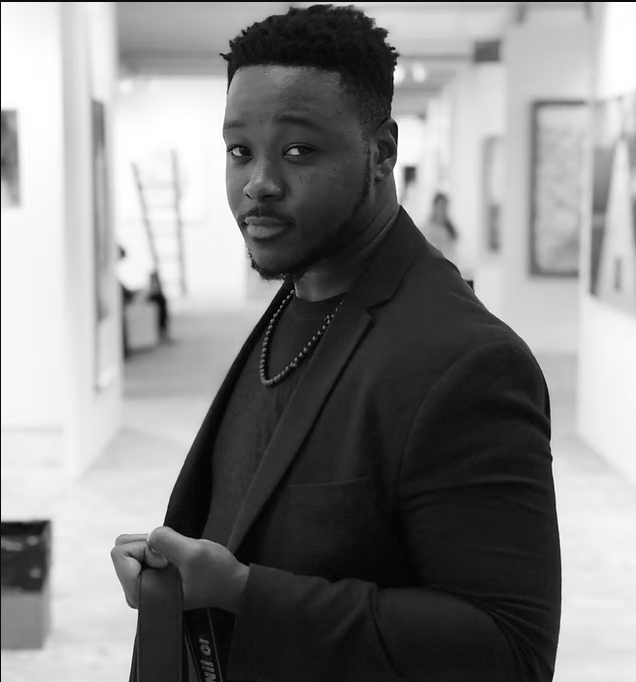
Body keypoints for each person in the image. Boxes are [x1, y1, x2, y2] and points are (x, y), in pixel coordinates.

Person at [111, 5, 561, 682]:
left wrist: (244, 592)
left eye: (298, 151)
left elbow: (508, 651)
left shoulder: (468, 361)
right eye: (239, 151)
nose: (258, 182)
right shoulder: (303, 292)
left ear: (381, 152)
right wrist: (178, 571)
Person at [424, 191, 459, 263]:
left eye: (445, 207)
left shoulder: (449, 230)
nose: (443, 210)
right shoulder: (425, 230)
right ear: (434, 207)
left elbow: (453, 254)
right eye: (441, 206)